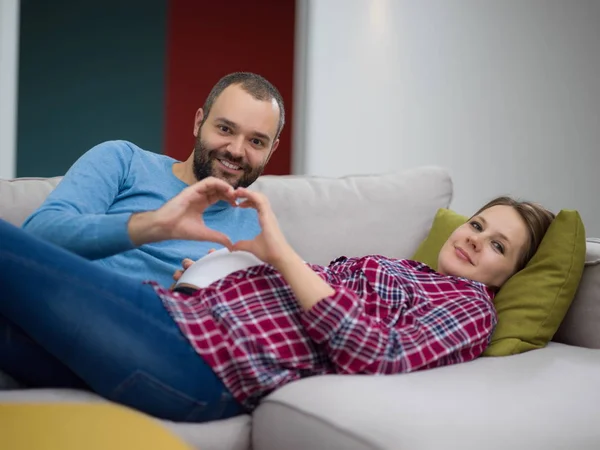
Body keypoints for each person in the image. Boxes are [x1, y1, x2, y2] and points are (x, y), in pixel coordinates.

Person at [0, 179, 555, 423]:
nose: (474, 238)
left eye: (497, 245)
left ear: (508, 276)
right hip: (183, 316)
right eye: (478, 224)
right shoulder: (406, 268)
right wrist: (220, 275)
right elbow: (296, 303)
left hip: (201, 360)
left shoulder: (470, 309)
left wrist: (282, 254)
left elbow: (379, 356)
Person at [21, 71, 284, 287]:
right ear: (198, 123)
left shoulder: (261, 232)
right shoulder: (123, 161)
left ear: (271, 151)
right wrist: (156, 225)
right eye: (225, 129)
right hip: (76, 305)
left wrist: (205, 294)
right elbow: (35, 237)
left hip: (170, 336)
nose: (236, 150)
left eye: (256, 141)